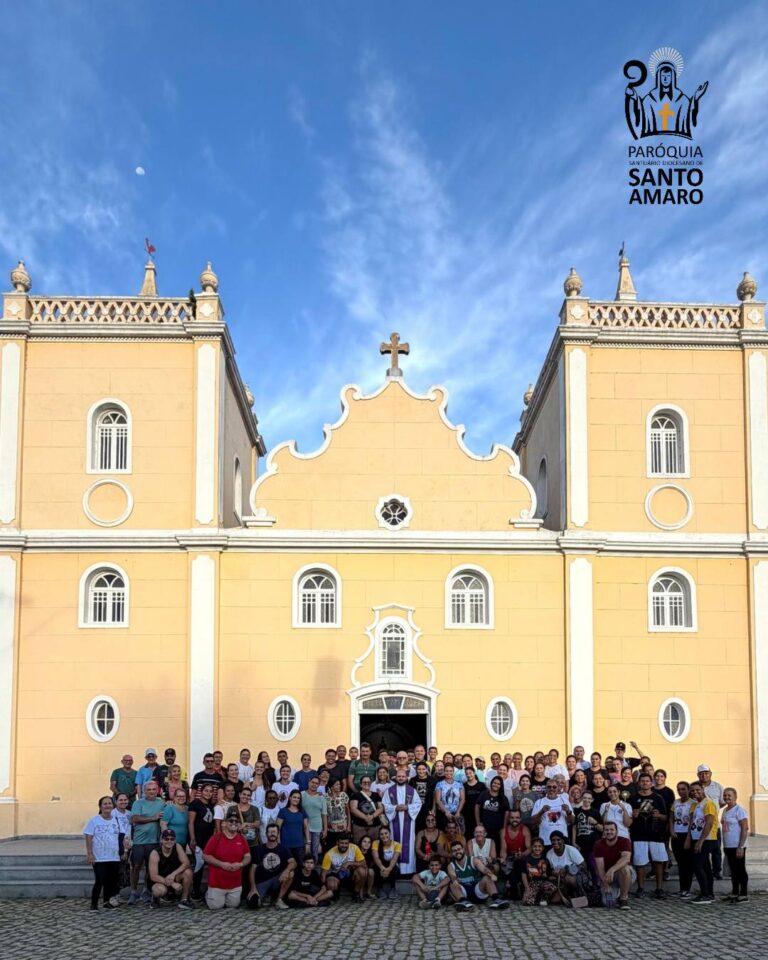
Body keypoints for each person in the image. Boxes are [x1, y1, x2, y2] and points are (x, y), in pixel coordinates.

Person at [630, 772, 668, 899]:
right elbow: (628, 818)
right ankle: (640, 888)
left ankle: (659, 888)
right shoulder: (633, 798)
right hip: (639, 835)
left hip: (656, 835)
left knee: (658, 862)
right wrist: (633, 816)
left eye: (647, 781)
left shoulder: (658, 798)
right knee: (640, 863)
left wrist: (659, 816)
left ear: (651, 783)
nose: (645, 783)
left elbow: (666, 816)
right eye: (642, 781)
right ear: (639, 783)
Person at [128, 778, 165, 904]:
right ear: (144, 791)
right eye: (149, 790)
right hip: (139, 841)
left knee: (150, 868)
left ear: (157, 790)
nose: (152, 792)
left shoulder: (161, 802)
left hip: (154, 841)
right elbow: (135, 819)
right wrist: (153, 818)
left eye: (154, 789)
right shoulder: (138, 803)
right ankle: (133, 892)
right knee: (136, 867)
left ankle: (146, 891)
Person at [83, 796, 122, 910]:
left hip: (113, 856)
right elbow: (89, 836)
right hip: (99, 856)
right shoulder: (94, 820)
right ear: (100, 806)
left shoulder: (116, 820)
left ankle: (107, 901)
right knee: (100, 880)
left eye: (109, 803)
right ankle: (94, 904)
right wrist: (90, 853)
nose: (107, 806)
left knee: (111, 881)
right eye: (105, 804)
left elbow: (121, 836)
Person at [446, 840, 507, 910]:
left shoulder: (473, 860)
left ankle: (496, 900)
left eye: (459, 849)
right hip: (463, 892)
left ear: (463, 849)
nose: (457, 852)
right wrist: (454, 880)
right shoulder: (451, 865)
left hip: (477, 890)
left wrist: (491, 874)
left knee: (487, 878)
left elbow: (484, 869)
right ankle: (463, 902)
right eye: (454, 850)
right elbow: (452, 875)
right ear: (452, 853)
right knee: (452, 883)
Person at [382, 767, 422, 874]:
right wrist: (395, 808)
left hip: (408, 821)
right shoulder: (389, 791)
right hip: (394, 821)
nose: (401, 778)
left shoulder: (412, 791)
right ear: (395, 778)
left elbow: (418, 804)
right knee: (394, 841)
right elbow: (385, 804)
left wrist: (407, 807)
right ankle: (395, 870)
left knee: (408, 843)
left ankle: (408, 871)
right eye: (399, 776)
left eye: (403, 776)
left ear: (406, 778)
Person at [246, 823, 295, 909]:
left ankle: (278, 900)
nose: (272, 834)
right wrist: (253, 888)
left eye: (274, 832)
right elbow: (252, 869)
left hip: (277, 879)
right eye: (270, 832)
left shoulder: (283, 848)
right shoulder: (259, 849)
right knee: (252, 903)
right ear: (266, 834)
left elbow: (293, 862)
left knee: (291, 873)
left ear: (278, 834)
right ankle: (266, 897)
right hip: (263, 881)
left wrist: (286, 870)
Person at [147, 829, 193, 908]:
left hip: (174, 877)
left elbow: (186, 863)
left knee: (188, 872)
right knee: (158, 891)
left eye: (172, 839)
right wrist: (172, 884)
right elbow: (153, 876)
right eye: (166, 839)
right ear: (161, 840)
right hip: (160, 880)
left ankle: (184, 900)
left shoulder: (177, 847)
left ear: (175, 840)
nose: (169, 841)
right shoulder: (155, 853)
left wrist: (173, 874)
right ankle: (155, 899)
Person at [688, 780, 718, 904]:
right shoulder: (695, 805)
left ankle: (705, 894)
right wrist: (689, 838)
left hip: (707, 839)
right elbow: (692, 823)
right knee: (705, 868)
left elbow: (709, 823)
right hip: (696, 837)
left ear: (703, 789)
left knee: (698, 866)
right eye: (693, 791)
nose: (695, 793)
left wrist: (700, 841)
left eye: (698, 790)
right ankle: (709, 893)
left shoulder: (708, 803)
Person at [593, 821, 632, 910]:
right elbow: (600, 867)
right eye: (606, 830)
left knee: (625, 869)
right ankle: (616, 892)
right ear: (603, 832)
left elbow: (626, 859)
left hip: (623, 874)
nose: (609, 832)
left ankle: (623, 898)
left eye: (611, 830)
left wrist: (612, 869)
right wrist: (606, 885)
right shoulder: (598, 844)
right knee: (607, 903)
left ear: (617, 831)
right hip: (607, 877)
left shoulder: (625, 841)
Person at [187, 782, 215, 899]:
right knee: (199, 863)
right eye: (206, 790)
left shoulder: (211, 806)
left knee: (204, 863)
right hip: (197, 838)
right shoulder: (195, 804)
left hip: (207, 839)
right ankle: (195, 890)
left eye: (210, 791)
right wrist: (193, 838)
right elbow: (191, 822)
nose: (208, 793)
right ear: (201, 792)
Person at [721, 787, 749, 903]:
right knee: (733, 870)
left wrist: (740, 846)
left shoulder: (739, 810)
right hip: (728, 845)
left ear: (735, 796)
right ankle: (734, 892)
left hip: (737, 845)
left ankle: (743, 894)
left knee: (740, 869)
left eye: (729, 795)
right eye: (725, 795)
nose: (727, 797)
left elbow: (744, 828)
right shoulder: (725, 810)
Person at [697, 764, 725, 879]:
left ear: (710, 774)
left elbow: (722, 802)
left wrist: (714, 809)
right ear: (698, 775)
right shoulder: (695, 786)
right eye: (701, 773)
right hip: (699, 825)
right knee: (700, 848)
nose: (704, 775)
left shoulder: (718, 786)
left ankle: (717, 871)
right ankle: (701, 869)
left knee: (716, 849)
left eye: (706, 773)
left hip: (714, 825)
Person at [320, 834, 367, 902]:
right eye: (342, 843)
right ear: (337, 843)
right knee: (331, 883)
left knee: (362, 871)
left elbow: (363, 863)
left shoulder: (354, 848)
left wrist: (349, 863)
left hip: (351, 874)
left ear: (349, 843)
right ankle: (335, 893)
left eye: (346, 843)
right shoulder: (329, 854)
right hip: (336, 874)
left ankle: (356, 893)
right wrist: (323, 886)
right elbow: (323, 873)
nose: (344, 845)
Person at [670, 780, 695, 899]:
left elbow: (692, 821)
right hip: (676, 835)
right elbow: (671, 817)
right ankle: (681, 889)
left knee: (688, 863)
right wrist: (671, 830)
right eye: (679, 789)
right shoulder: (676, 802)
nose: (681, 791)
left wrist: (688, 838)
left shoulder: (693, 803)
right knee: (680, 863)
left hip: (687, 835)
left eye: (683, 789)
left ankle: (687, 889)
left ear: (688, 790)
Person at [531, 780, 573, 848]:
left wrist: (568, 812)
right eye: (549, 787)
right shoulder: (539, 802)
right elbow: (533, 821)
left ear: (558, 788)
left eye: (554, 787)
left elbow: (571, 821)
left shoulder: (564, 801)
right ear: (546, 788)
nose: (551, 789)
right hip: (545, 840)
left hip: (562, 840)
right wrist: (541, 812)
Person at [500, 810, 531, 899]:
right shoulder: (503, 831)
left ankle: (514, 887)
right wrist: (503, 858)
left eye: (517, 817)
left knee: (520, 862)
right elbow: (503, 849)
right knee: (506, 865)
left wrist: (522, 854)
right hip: (510, 858)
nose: (515, 820)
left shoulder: (525, 829)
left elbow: (529, 848)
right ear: (509, 819)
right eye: (512, 817)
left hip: (522, 857)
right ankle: (514, 888)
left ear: (520, 819)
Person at [520, 837, 556, 906]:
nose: (537, 848)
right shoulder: (526, 859)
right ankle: (534, 897)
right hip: (532, 883)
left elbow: (548, 873)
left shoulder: (545, 859)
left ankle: (543, 898)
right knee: (527, 902)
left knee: (552, 887)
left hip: (543, 882)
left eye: (539, 846)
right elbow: (523, 875)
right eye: (535, 846)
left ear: (543, 848)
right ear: (531, 847)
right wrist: (527, 888)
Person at [349, 774, 383, 847]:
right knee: (358, 846)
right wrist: (366, 818)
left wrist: (372, 816)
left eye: (368, 782)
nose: (367, 783)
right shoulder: (356, 795)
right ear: (361, 784)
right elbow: (353, 809)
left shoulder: (376, 795)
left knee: (374, 846)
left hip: (375, 826)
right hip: (359, 826)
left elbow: (381, 808)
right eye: (364, 782)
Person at [277, 789, 310, 863]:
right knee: (287, 867)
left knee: (300, 867)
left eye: (298, 798)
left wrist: (308, 843)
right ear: (290, 798)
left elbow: (306, 827)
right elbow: (277, 828)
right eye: (294, 797)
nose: (296, 799)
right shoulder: (283, 811)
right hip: (285, 845)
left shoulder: (302, 811)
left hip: (299, 845)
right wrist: (279, 843)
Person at [475, 775, 509, 847]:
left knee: (495, 847)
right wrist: (478, 823)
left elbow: (507, 812)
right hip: (484, 827)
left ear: (501, 786)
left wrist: (504, 827)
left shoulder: (503, 798)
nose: (496, 785)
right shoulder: (484, 794)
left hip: (497, 829)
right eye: (494, 783)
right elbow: (477, 806)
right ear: (491, 783)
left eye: (498, 784)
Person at [302, 775, 329, 860]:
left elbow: (324, 814)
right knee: (304, 850)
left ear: (319, 785)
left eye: (316, 783)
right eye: (312, 782)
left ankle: (313, 868)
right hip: (304, 826)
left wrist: (325, 829)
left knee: (315, 850)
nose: (314, 785)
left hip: (317, 827)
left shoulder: (321, 798)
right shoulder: (302, 794)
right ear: (309, 782)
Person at [372, 825, 402, 899]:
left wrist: (388, 869)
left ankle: (393, 888)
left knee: (394, 868)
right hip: (381, 866)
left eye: (386, 833)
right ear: (379, 835)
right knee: (376, 867)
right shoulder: (376, 843)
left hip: (392, 866)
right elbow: (376, 858)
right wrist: (382, 868)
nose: (384, 836)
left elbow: (395, 858)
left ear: (389, 834)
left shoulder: (396, 844)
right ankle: (380, 889)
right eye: (381, 834)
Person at [434, 763, 465, 832]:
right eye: (447, 771)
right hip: (444, 814)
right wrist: (446, 812)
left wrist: (458, 812)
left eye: (450, 771)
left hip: (456, 814)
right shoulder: (439, 784)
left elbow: (462, 799)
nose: (449, 773)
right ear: (444, 772)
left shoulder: (459, 784)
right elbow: (438, 800)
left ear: (453, 772)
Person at [572, 790, 602, 860]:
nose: (586, 800)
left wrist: (595, 823)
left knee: (593, 866)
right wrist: (573, 842)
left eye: (589, 798)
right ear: (582, 798)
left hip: (594, 843)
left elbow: (602, 829)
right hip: (580, 844)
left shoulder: (595, 812)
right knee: (583, 867)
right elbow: (574, 827)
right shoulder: (576, 811)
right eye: (585, 798)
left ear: (592, 800)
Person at [325, 777, 351, 850]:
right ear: (331, 786)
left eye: (339, 784)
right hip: (330, 828)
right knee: (331, 848)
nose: (339, 786)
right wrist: (325, 828)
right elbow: (325, 814)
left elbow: (348, 811)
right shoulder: (325, 797)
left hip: (343, 828)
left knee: (343, 847)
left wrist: (349, 826)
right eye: (337, 784)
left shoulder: (343, 795)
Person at [409, 761, 435, 830]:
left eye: (423, 769)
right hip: (415, 809)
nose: (421, 771)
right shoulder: (412, 780)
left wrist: (433, 808)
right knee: (416, 828)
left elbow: (435, 796)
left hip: (427, 808)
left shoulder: (432, 780)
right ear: (416, 770)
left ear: (426, 769)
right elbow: (409, 795)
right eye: (419, 769)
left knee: (428, 828)